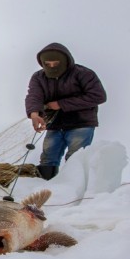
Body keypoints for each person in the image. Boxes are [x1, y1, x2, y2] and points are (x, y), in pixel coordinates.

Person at [25, 42, 107, 180]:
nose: (52, 66)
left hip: (81, 123)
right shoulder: (38, 77)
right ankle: (45, 188)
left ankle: (73, 191)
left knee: (76, 158)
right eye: (48, 64)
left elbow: (98, 96)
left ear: (65, 61)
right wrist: (34, 113)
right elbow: (34, 95)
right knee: (48, 158)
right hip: (54, 124)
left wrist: (61, 104)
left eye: (55, 63)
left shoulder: (83, 73)